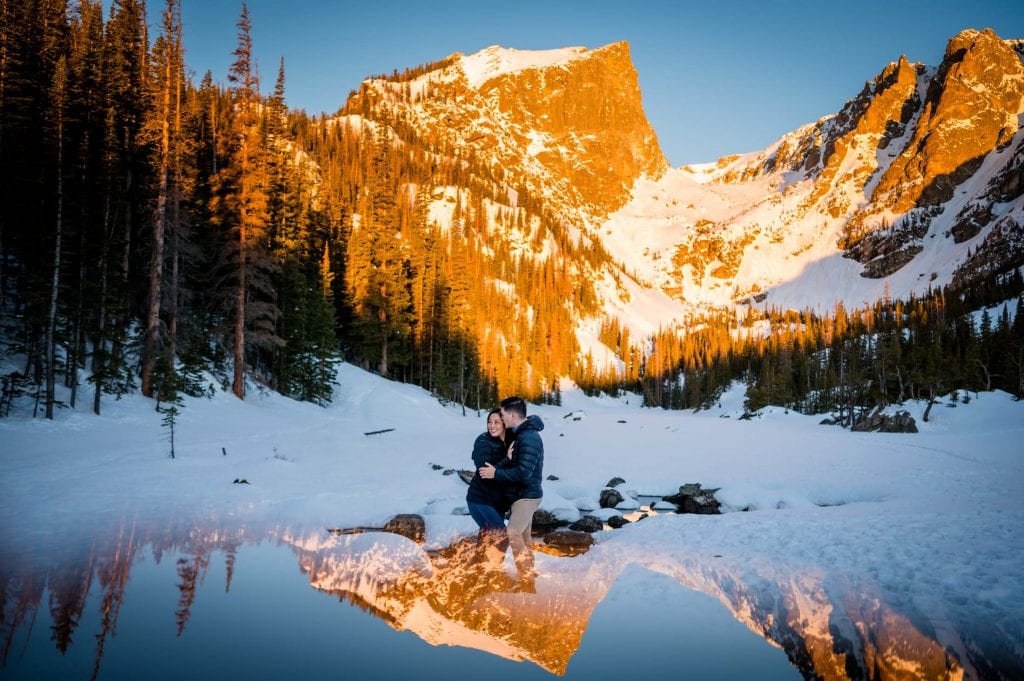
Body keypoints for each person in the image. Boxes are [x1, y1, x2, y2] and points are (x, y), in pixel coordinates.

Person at [479, 396, 544, 575]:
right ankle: (530, 575)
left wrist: (496, 473)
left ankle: (526, 577)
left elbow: (524, 472)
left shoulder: (529, 438)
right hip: (521, 494)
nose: (501, 417)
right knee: (524, 536)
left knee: (513, 531)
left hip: (527, 496)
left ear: (513, 416)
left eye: (503, 414)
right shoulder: (521, 433)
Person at [466, 409, 512, 532]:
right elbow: (484, 471)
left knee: (489, 540)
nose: (492, 425)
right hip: (480, 500)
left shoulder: (507, 442)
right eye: (489, 422)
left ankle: (480, 552)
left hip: (498, 503)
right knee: (502, 536)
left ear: (504, 423)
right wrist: (507, 459)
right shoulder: (483, 441)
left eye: (496, 422)